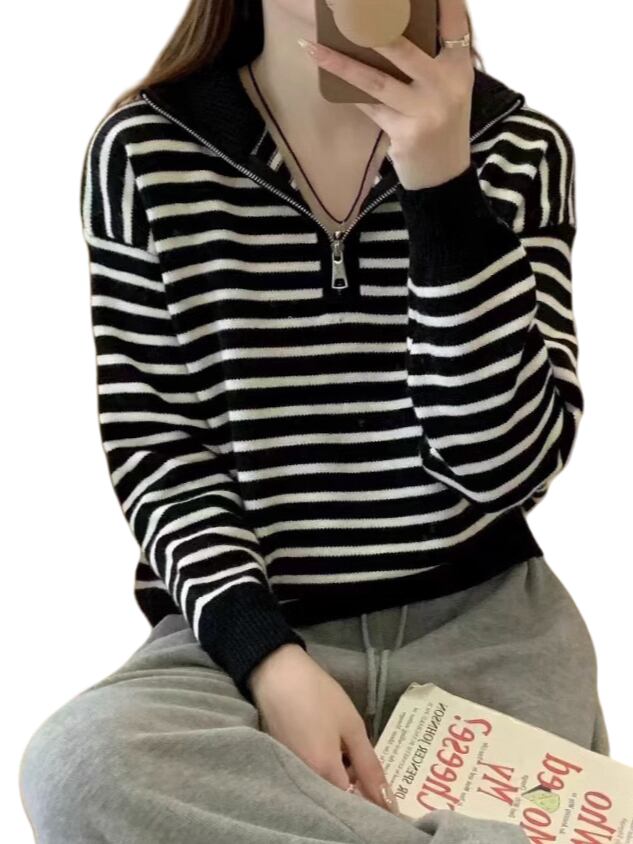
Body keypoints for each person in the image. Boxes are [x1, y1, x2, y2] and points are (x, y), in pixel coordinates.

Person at [19, 1, 610, 842]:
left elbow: (503, 468)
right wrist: (268, 660)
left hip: (489, 635)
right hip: (240, 637)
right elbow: (160, 452)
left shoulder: (519, 148)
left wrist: (441, 186)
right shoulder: (146, 153)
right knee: (81, 765)